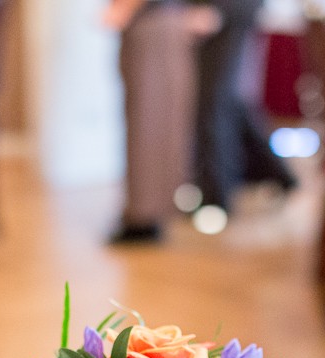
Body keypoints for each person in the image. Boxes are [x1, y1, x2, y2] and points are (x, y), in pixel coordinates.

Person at [105, 0, 219, 244]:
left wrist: (126, 6)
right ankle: (148, 212)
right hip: (157, 21)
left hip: (154, 22)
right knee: (151, 120)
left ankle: (145, 215)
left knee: (149, 122)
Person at [193, 0, 296, 225]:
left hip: (228, 12)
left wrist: (219, 11)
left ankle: (217, 198)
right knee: (226, 103)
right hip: (217, 13)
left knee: (215, 103)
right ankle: (277, 175)